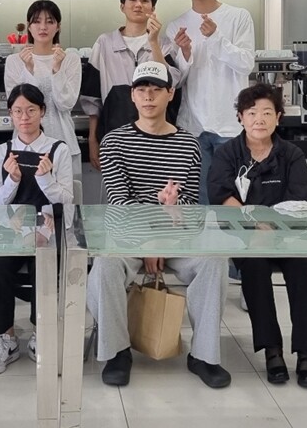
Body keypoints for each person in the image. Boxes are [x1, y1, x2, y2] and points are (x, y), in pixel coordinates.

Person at [86, 61, 229, 389]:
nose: (148, 96)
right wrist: (150, 243)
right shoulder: (114, 142)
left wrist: (172, 207)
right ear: (132, 96)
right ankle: (117, 352)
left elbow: (191, 205)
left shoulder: (189, 144)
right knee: (105, 266)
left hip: (176, 236)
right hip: (127, 237)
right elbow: (120, 204)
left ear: (170, 94)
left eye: (156, 90)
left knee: (214, 261)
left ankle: (204, 355)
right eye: (142, 90)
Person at [207, 83, 307, 389]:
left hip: (287, 235)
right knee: (255, 269)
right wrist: (255, 225)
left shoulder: (292, 155)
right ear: (240, 117)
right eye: (252, 112)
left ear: (278, 117)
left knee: (302, 270)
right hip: (244, 236)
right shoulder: (228, 153)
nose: (259, 119)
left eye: (267, 113)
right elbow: (220, 195)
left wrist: (272, 228)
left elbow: (299, 198)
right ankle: (272, 351)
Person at [0, 84, 74, 374]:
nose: (24, 117)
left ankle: (40, 331)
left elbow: (67, 200)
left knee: (43, 263)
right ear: (10, 113)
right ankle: (6, 337)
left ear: (42, 112)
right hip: (9, 230)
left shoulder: (58, 150)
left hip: (46, 229)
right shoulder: (0, 152)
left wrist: (45, 180)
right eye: (18, 111)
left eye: (31, 110)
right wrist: (12, 180)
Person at [162, 0, 255, 203]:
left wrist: (216, 38)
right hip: (193, 127)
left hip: (231, 125)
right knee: (197, 201)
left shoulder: (238, 17)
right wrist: (185, 53)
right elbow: (175, 81)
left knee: (234, 200)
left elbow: (246, 63)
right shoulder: (176, 26)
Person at [81, 0, 179, 171]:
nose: (138, 5)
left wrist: (153, 42)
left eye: (145, 0)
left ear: (153, 8)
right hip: (114, 135)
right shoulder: (104, 43)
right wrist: (93, 139)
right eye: (132, 0)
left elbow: (172, 82)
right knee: (117, 188)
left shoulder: (164, 44)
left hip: (157, 137)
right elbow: (92, 97)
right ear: (122, 6)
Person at [3, 0, 83, 175]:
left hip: (64, 142)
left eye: (50, 21)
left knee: (67, 192)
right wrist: (29, 70)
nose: (43, 27)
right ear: (29, 27)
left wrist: (57, 71)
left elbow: (66, 104)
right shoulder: (15, 61)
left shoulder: (70, 59)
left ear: (58, 26)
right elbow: (19, 107)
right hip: (25, 146)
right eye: (37, 21)